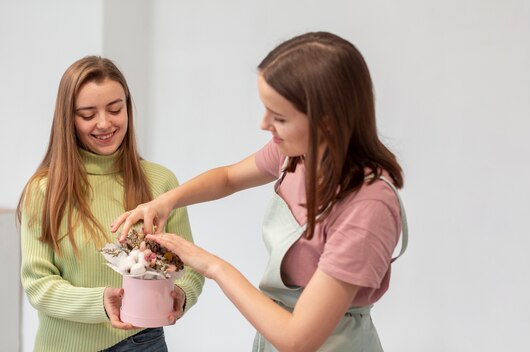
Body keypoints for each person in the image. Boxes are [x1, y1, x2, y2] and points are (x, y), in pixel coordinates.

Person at [112, 31, 408, 351]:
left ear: (327, 123)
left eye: (279, 116)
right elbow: (228, 178)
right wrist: (165, 202)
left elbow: (297, 339)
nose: (264, 124)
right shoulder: (296, 155)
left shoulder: (369, 207)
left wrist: (212, 265)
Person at [18, 56, 204, 352]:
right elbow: (38, 285)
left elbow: (191, 264)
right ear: (68, 119)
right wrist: (100, 302)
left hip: (143, 342)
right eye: (87, 114)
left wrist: (182, 294)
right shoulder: (44, 190)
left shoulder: (161, 183)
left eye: (115, 109)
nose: (104, 123)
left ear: (128, 108)